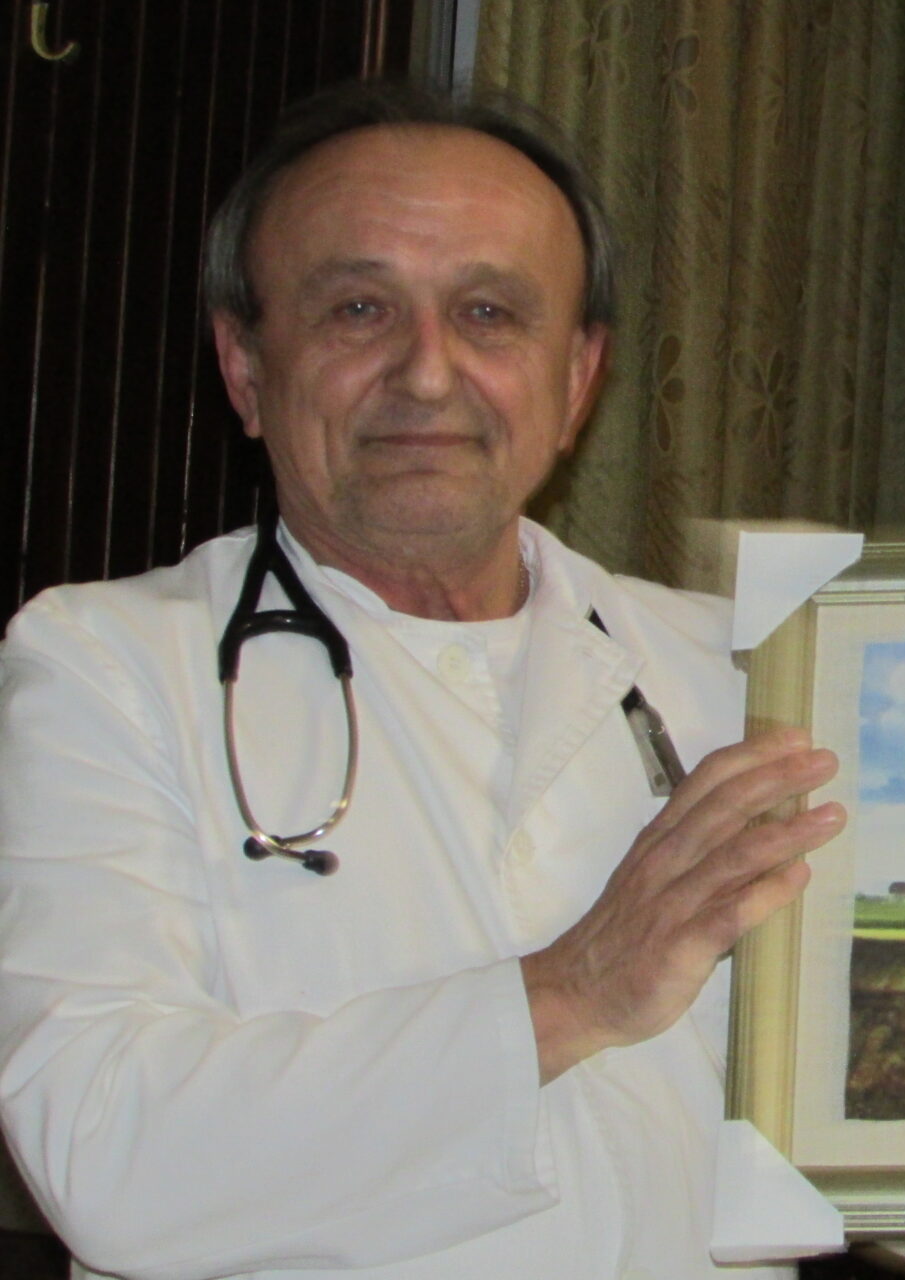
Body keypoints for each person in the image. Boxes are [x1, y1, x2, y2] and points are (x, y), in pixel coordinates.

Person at [0, 81, 847, 1279]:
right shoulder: (106, 667)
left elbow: (861, 1119)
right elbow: (106, 1151)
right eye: (358, 309)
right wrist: (574, 990)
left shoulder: (751, 669)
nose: (429, 373)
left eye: (490, 313)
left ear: (578, 379)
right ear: (245, 366)